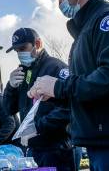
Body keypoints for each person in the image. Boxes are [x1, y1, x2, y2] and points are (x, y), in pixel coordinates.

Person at [28, 0, 109, 170]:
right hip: (99, 142)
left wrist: (59, 87)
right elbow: (85, 89)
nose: (59, 3)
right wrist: (53, 93)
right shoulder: (84, 32)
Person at [4, 28, 75, 170]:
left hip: (55, 149)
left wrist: (38, 126)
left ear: (37, 43)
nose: (20, 54)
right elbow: (9, 109)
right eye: (17, 51)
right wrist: (10, 87)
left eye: (23, 48)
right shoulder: (24, 73)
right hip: (33, 150)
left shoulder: (56, 67)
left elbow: (69, 109)